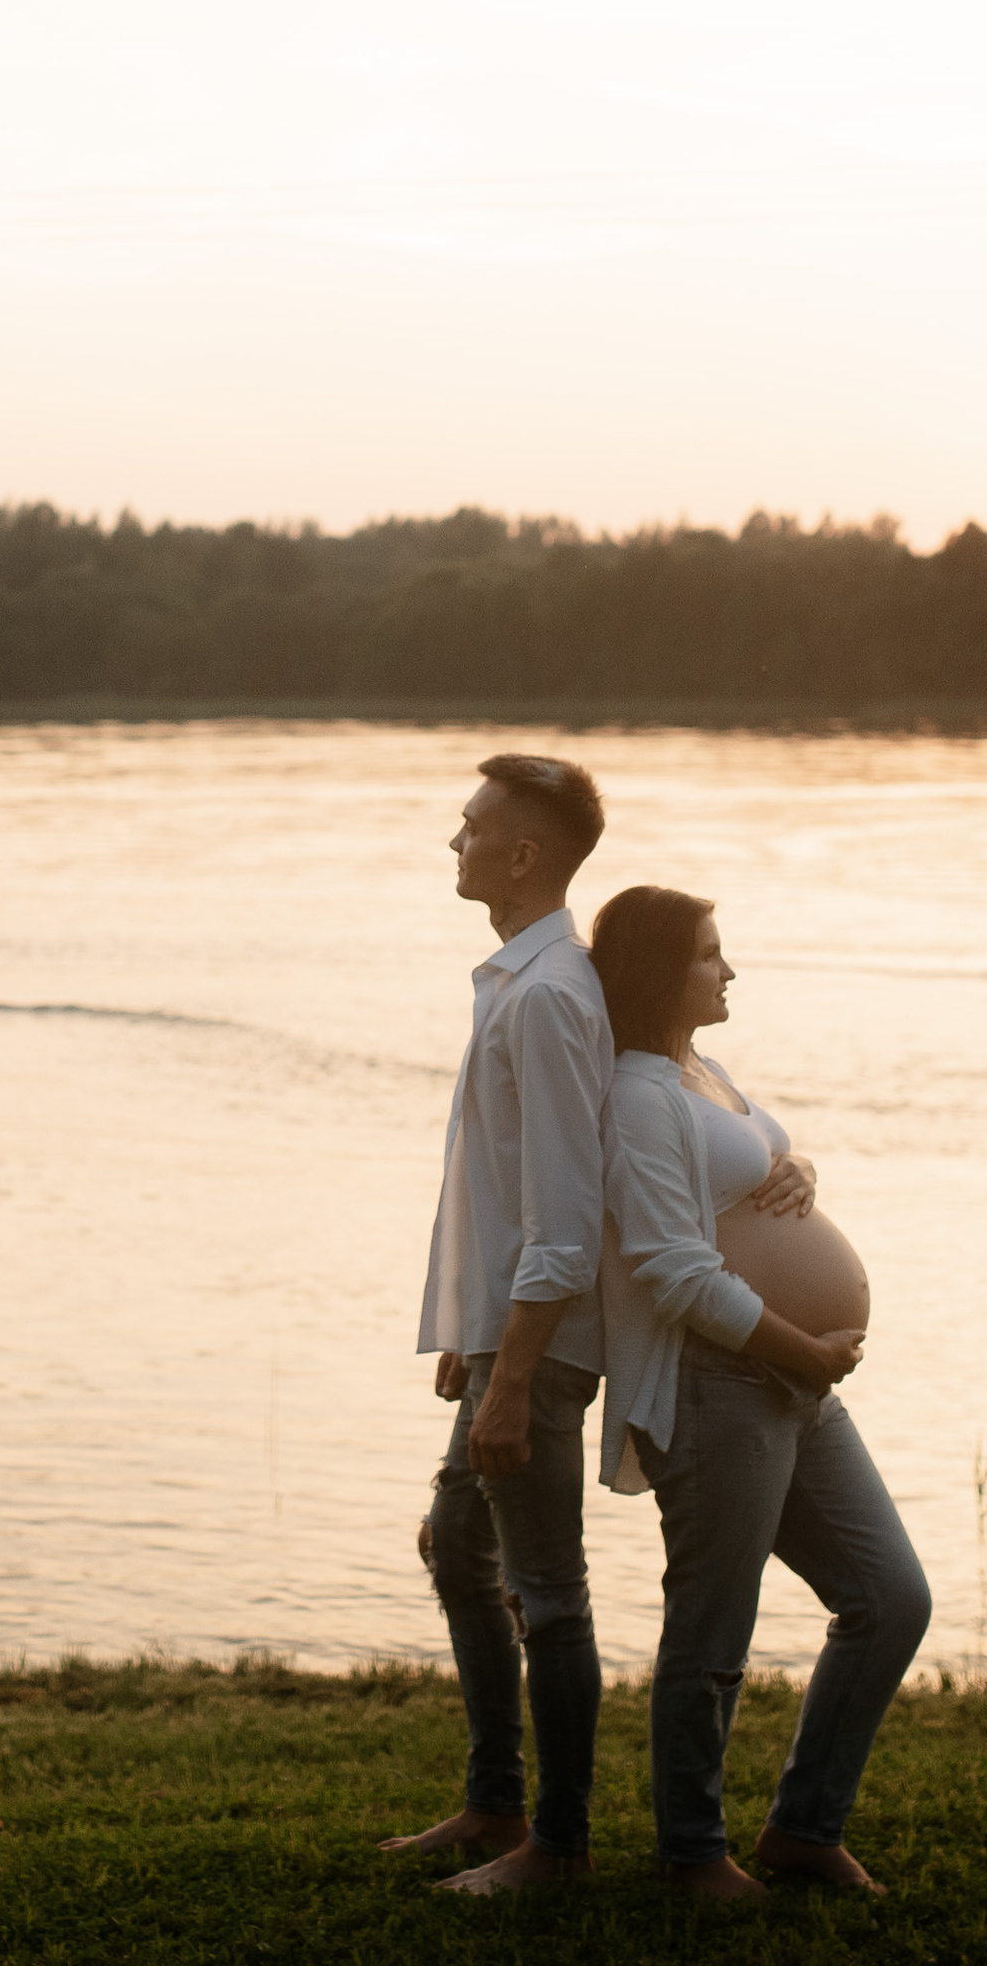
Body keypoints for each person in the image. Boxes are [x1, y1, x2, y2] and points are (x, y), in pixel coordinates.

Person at [589, 884, 929, 1901]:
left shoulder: (706, 1072)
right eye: (708, 954)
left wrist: (802, 1171)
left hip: (790, 1385)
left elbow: (755, 1168)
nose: (727, 970)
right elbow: (670, 1266)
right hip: (723, 1384)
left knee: (887, 1598)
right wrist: (803, 1351)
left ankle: (802, 1829)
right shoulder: (638, 1093)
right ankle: (693, 1854)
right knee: (712, 1632)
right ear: (661, 973)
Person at [381, 753, 615, 1894]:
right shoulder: (519, 984)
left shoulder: (551, 996)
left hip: (543, 1349)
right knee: (457, 1549)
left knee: (548, 1588)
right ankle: (492, 1802)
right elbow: (508, 1188)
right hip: (506, 1336)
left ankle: (554, 1847)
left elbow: (565, 1218)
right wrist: (471, 1332)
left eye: (469, 825)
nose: (452, 840)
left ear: (524, 854)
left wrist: (515, 1378)